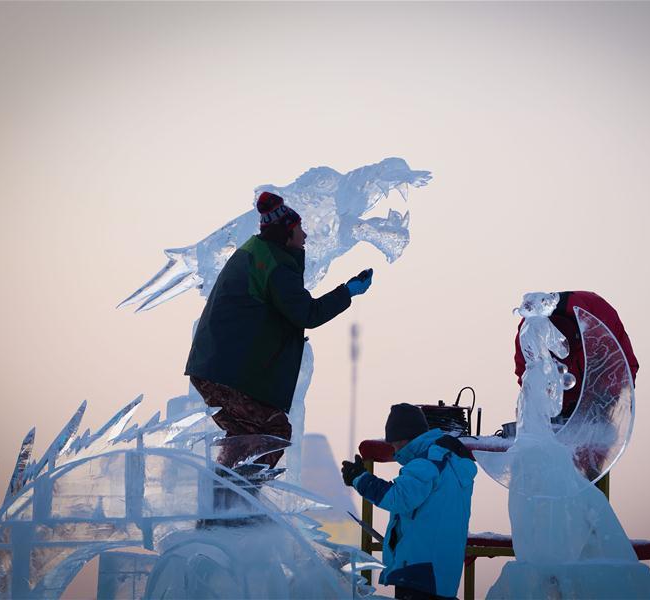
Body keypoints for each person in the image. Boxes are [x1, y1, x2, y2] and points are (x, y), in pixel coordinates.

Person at [186, 191, 373, 468]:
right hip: (228, 373)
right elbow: (306, 313)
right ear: (286, 234)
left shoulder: (255, 252)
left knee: (244, 436)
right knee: (274, 431)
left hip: (213, 368)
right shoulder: (276, 265)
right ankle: (242, 489)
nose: (305, 236)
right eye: (299, 229)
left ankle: (223, 488)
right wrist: (347, 292)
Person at [341, 404, 477, 600]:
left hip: (419, 568)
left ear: (403, 438)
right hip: (444, 570)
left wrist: (360, 479)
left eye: (394, 444)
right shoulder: (451, 460)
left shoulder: (428, 461)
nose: (394, 451)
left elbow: (398, 497)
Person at [513, 290, 639, 421]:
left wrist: (605, 400)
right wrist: (549, 408)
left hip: (598, 401)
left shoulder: (601, 324)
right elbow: (528, 378)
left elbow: (624, 367)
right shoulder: (530, 333)